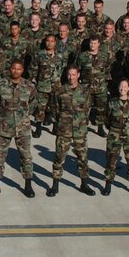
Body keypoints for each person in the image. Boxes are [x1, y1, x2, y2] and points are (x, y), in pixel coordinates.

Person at [0, 60, 37, 197]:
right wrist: (0, 118)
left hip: (23, 127)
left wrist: (25, 115)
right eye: (13, 68)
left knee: (26, 156)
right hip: (4, 127)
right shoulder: (0, 85)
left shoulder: (29, 86)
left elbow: (33, 103)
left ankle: (28, 185)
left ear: (23, 70)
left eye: (19, 69)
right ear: (9, 69)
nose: (16, 71)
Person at [50, 66, 94, 196]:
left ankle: (84, 184)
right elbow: (55, 109)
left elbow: (87, 109)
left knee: (83, 158)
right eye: (69, 75)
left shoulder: (85, 91)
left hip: (80, 130)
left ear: (78, 75)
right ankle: (55, 185)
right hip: (64, 130)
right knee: (59, 157)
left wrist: (81, 122)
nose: (71, 77)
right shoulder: (60, 91)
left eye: (73, 75)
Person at [103, 79, 129, 195]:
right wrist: (114, 129)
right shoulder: (112, 102)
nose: (122, 89)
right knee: (111, 160)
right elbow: (107, 119)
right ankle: (108, 184)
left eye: (125, 86)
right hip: (115, 135)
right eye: (120, 86)